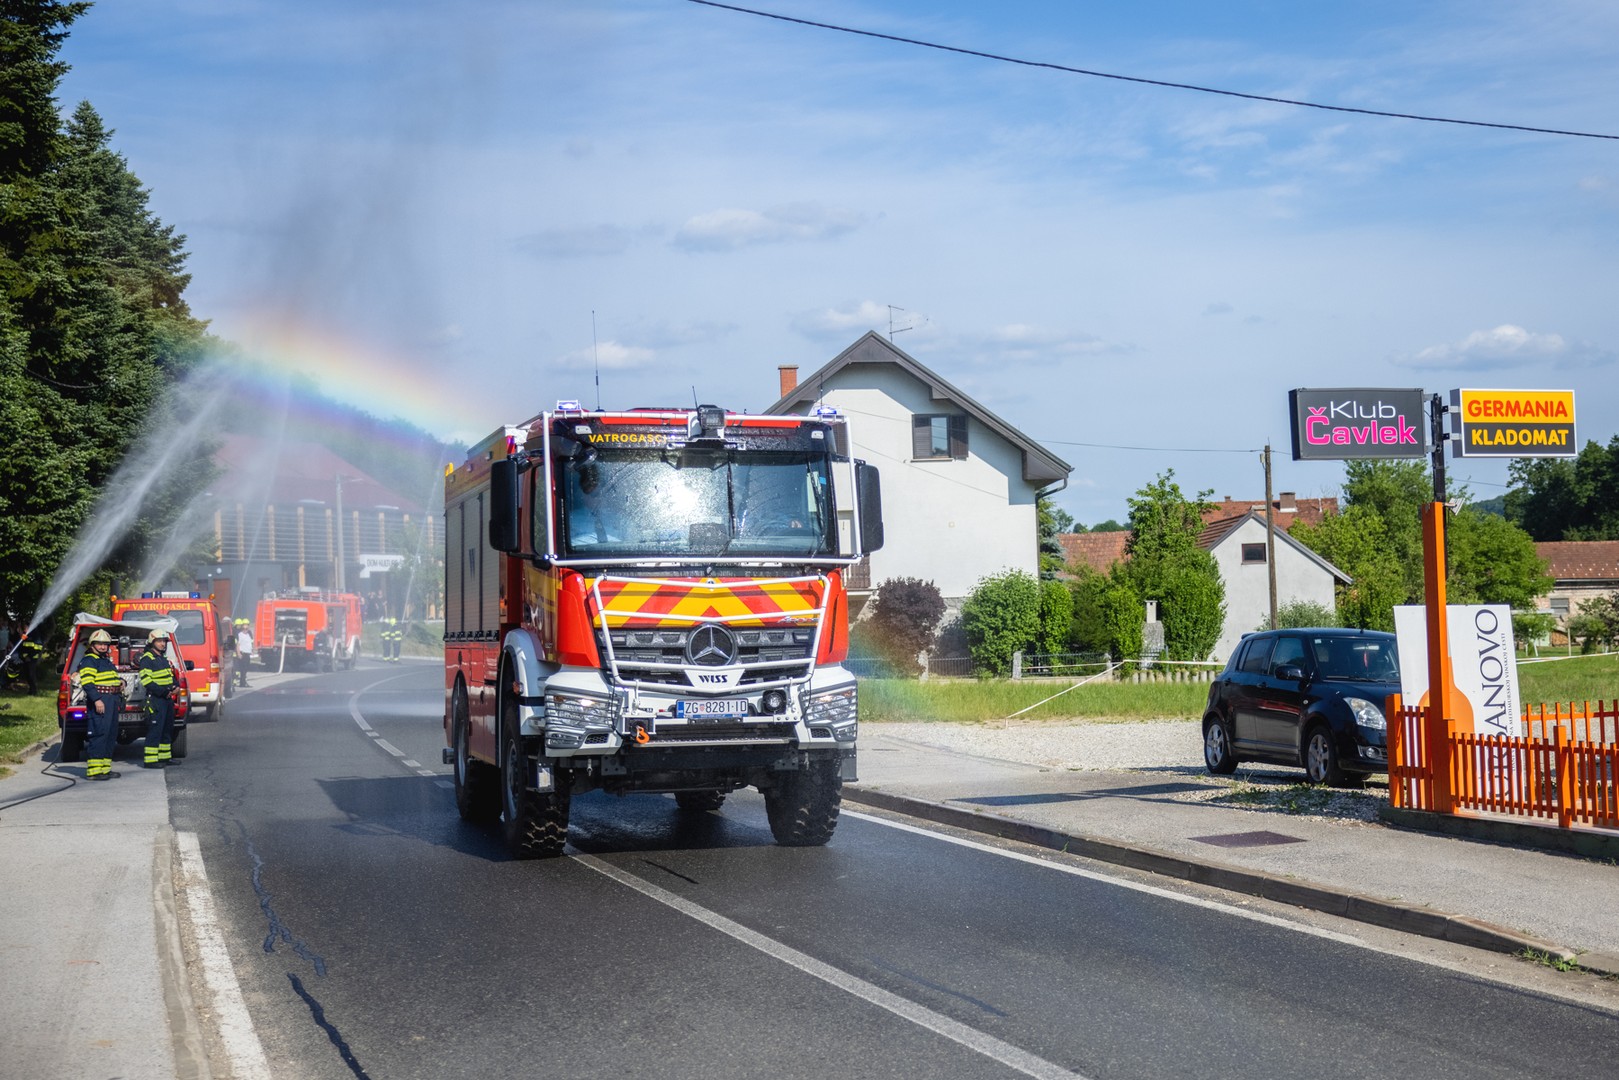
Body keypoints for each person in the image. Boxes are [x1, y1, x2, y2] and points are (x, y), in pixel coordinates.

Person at [77, 628, 124, 780]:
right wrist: (97, 700)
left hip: (111, 699)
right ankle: (94, 771)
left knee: (110, 735)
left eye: (106, 644)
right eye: (100, 644)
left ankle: (105, 769)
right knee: (99, 734)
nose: (103, 647)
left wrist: (120, 682)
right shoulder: (89, 660)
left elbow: (110, 678)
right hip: (101, 700)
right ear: (92, 645)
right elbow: (88, 683)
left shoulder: (105, 660)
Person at [137, 630, 179, 768]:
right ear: (152, 642)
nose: (162, 644)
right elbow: (147, 681)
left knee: (167, 729)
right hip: (156, 699)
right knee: (155, 729)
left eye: (164, 641)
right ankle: (150, 760)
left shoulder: (162, 658)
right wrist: (163, 692)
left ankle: (165, 757)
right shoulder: (147, 659)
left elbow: (170, 676)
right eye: (159, 641)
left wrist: (175, 686)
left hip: (167, 699)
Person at [235, 619, 254, 687]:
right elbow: (238, 645)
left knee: (246, 669)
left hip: (248, 654)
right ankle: (242, 683)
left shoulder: (248, 634)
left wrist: (252, 650)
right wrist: (239, 653)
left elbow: (250, 643)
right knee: (242, 669)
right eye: (244, 628)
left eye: (246, 628)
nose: (245, 629)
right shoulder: (240, 635)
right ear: (242, 628)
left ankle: (243, 682)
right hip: (242, 654)